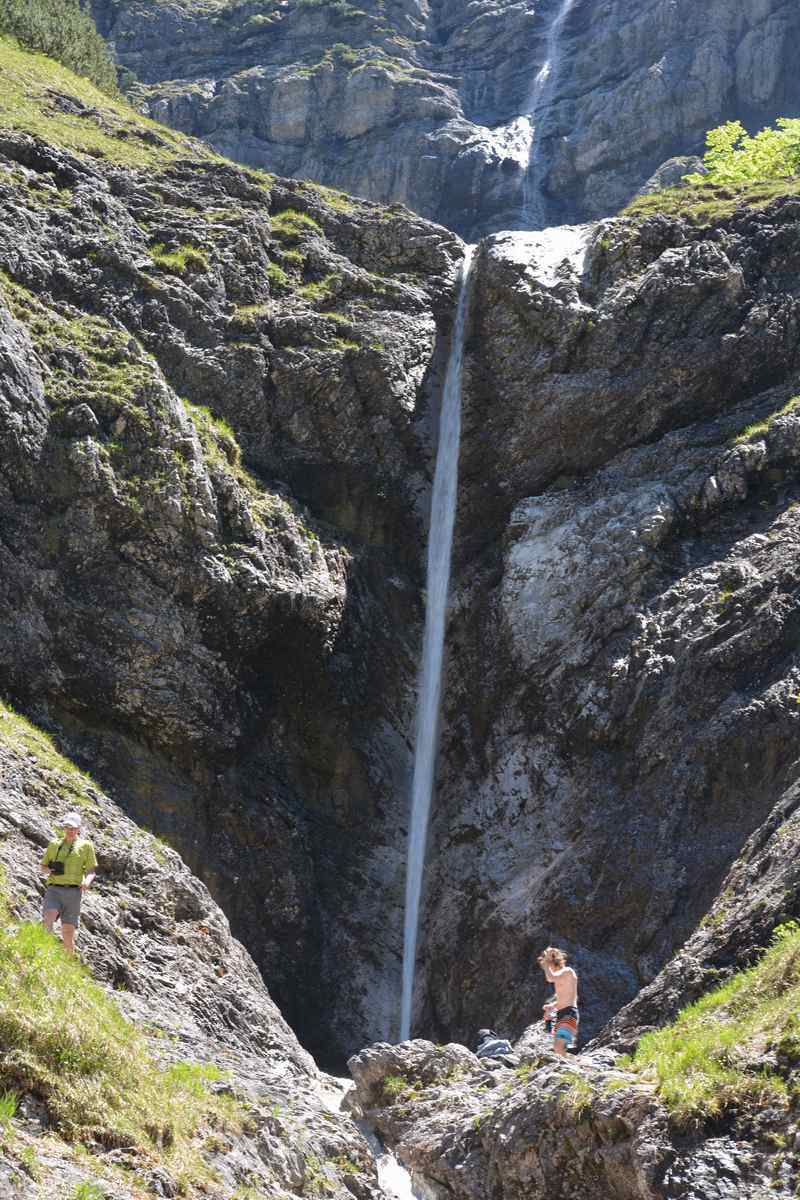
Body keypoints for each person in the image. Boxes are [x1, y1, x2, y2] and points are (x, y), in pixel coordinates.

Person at [40, 812, 97, 955]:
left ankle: (69, 962)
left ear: (79, 829)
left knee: (67, 931)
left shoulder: (86, 846)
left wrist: (87, 881)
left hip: (74, 893)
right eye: (67, 827)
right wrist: (49, 870)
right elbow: (43, 866)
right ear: (63, 828)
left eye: (73, 828)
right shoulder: (54, 844)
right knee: (48, 919)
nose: (70, 831)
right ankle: (44, 953)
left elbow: (91, 870)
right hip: (54, 889)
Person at [538, 946, 579, 1056]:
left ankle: (570, 1068)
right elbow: (567, 998)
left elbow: (550, 978)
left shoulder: (567, 971)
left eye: (546, 966)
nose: (545, 969)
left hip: (569, 1013)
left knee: (559, 1046)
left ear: (552, 963)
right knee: (559, 1047)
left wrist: (546, 962)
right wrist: (552, 1006)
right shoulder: (562, 977)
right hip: (564, 1013)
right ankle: (570, 1068)